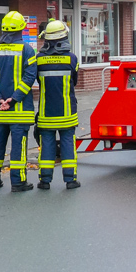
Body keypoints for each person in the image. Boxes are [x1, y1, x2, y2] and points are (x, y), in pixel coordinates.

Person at [0, 10, 37, 192]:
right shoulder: (27, 50)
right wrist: (13, 100)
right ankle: (18, 182)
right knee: (18, 148)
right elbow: (29, 78)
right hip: (19, 111)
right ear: (22, 28)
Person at [34, 19, 81, 190]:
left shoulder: (38, 60)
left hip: (46, 112)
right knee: (68, 142)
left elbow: (37, 80)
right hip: (67, 112)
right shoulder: (72, 58)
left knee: (47, 144)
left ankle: (44, 181)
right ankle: (70, 180)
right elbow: (74, 82)